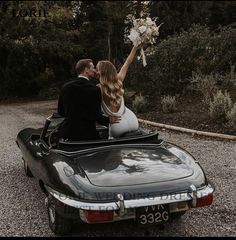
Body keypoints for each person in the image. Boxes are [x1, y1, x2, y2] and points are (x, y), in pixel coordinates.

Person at [57, 59, 118, 141]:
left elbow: (60, 111)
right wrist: (109, 120)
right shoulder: (95, 89)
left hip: (67, 134)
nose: (95, 70)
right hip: (87, 135)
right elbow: (97, 116)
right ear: (86, 70)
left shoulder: (65, 87)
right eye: (93, 68)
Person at [96, 45, 140, 139]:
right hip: (132, 120)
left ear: (101, 72)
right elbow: (127, 62)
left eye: (97, 69)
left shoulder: (98, 88)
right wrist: (135, 47)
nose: (96, 71)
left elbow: (95, 111)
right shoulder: (118, 80)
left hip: (117, 124)